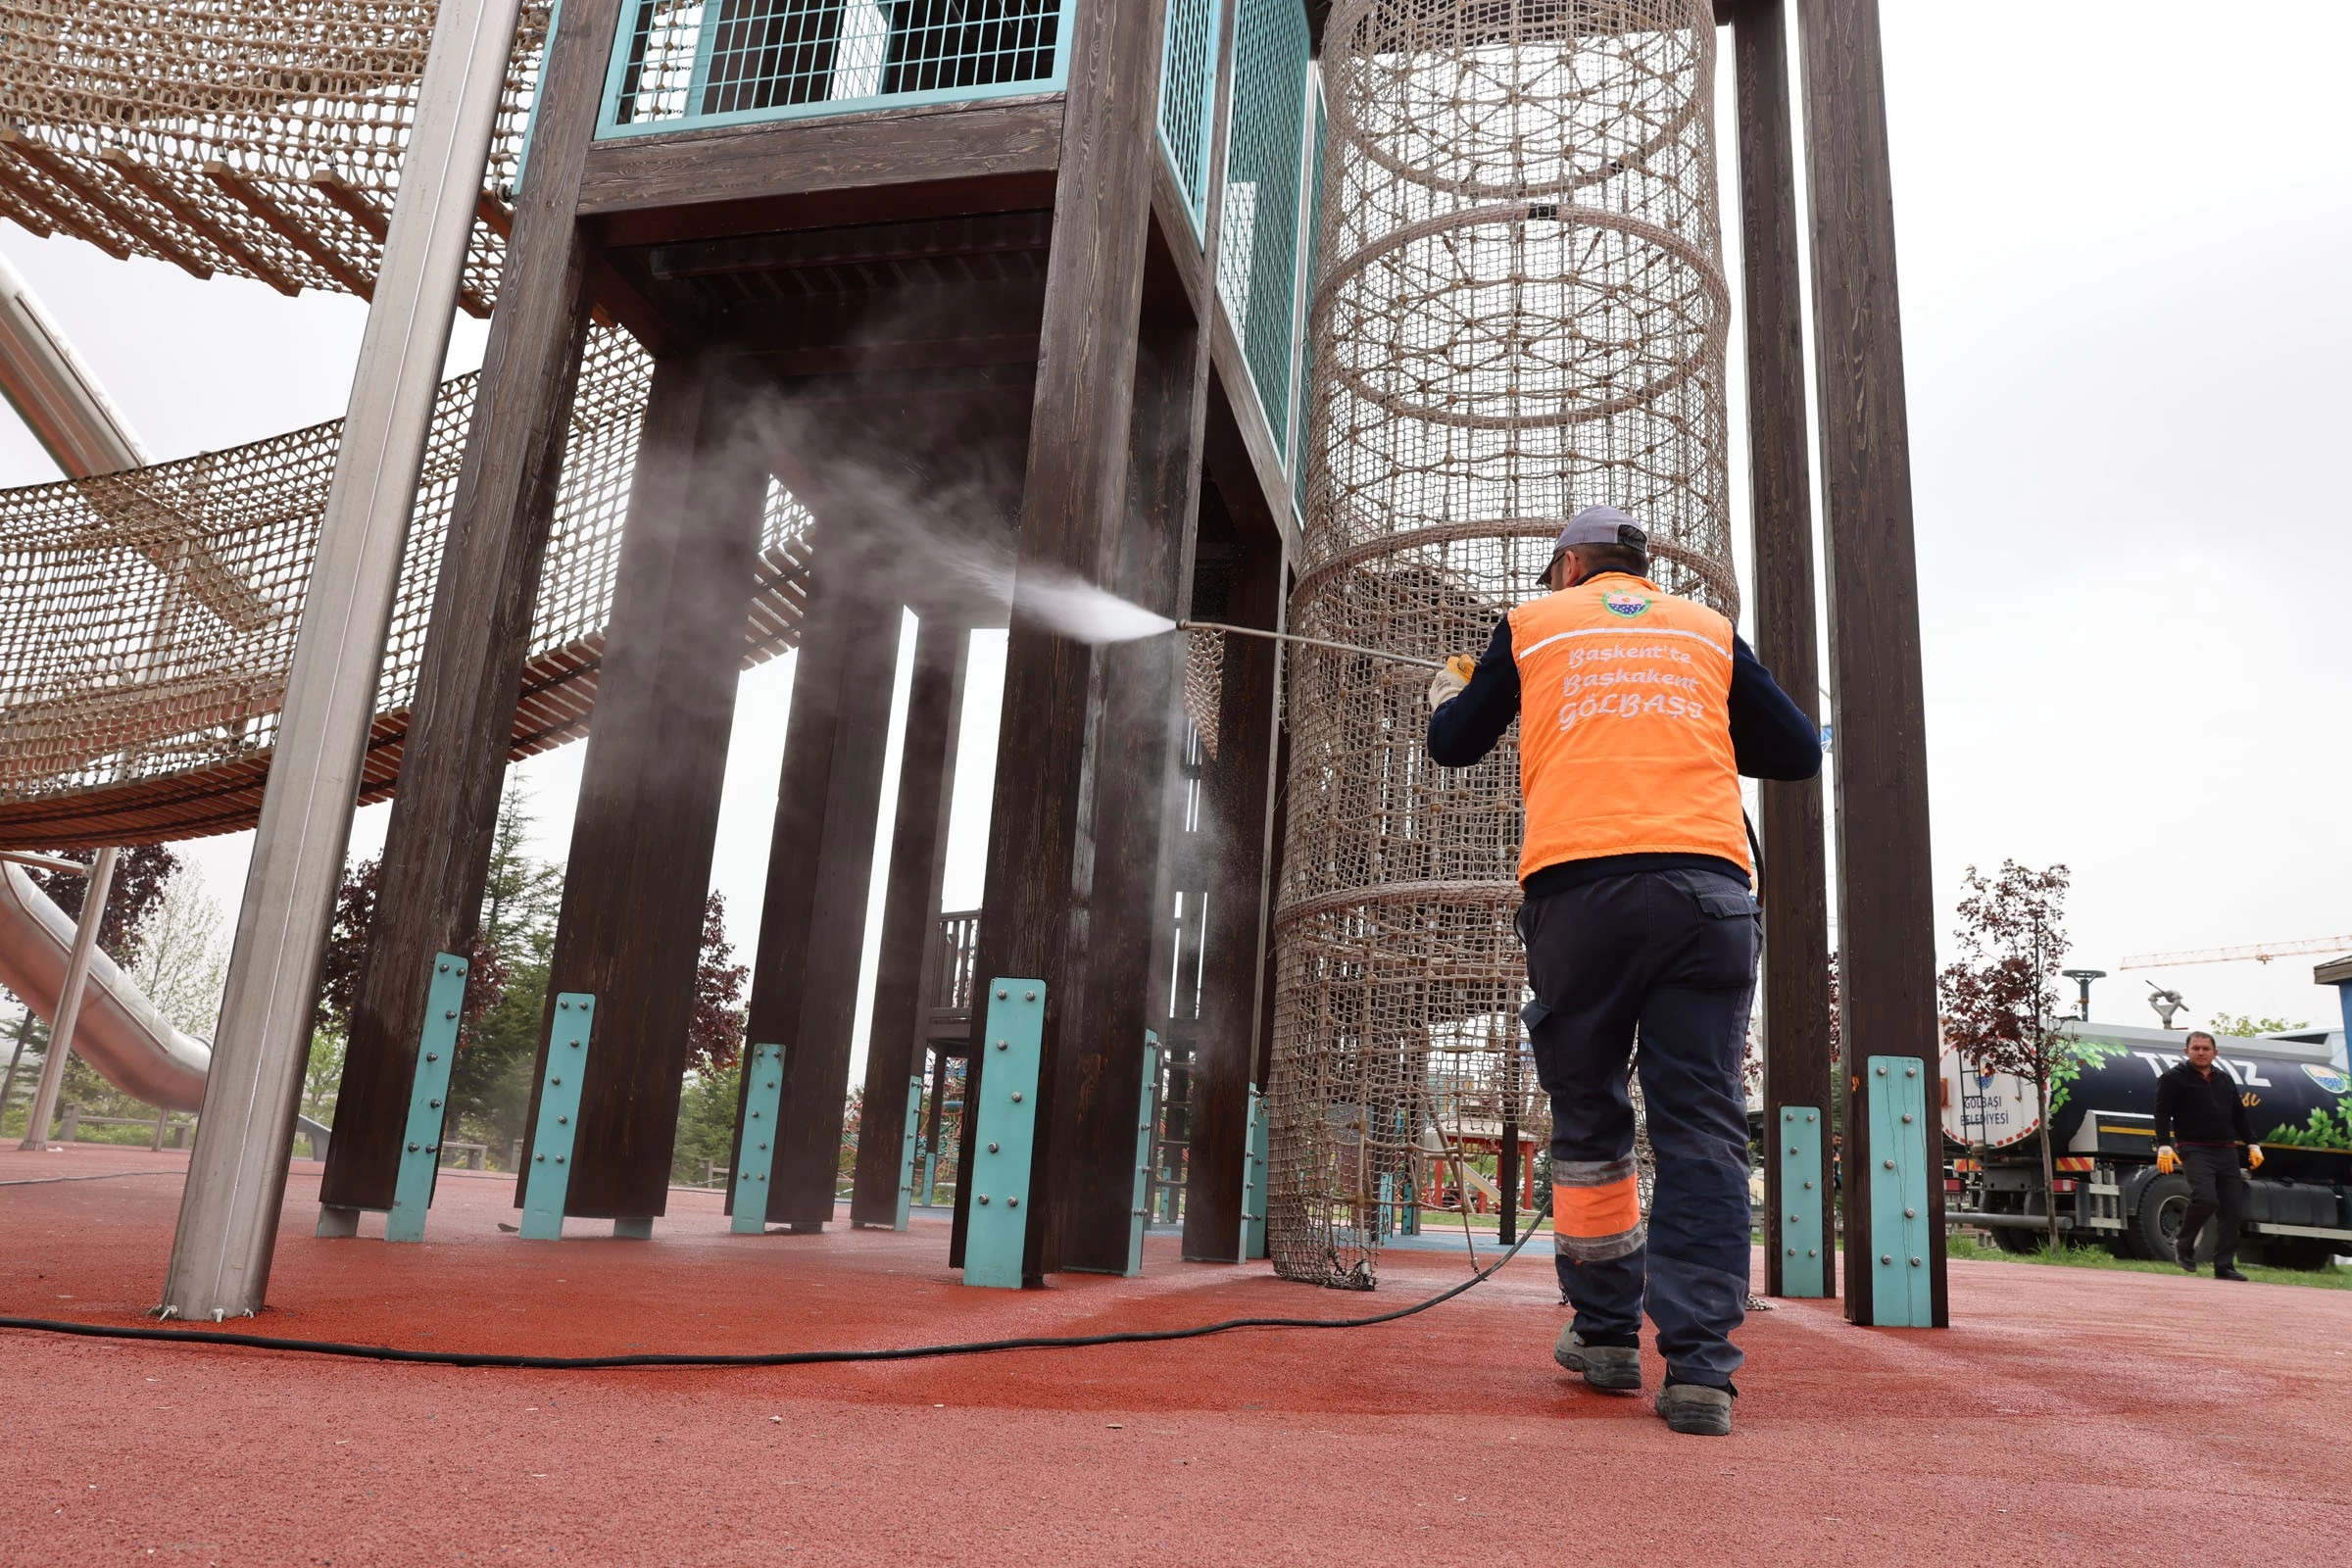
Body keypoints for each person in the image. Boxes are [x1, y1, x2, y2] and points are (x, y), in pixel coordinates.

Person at [1426, 505, 1821, 1438]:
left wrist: (1455, 687)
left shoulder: (1529, 626)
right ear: (1640, 569)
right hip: (1707, 897)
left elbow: (1453, 745)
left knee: (1594, 1119)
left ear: (1567, 568)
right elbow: (1797, 752)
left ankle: (1604, 1336)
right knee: (1703, 1128)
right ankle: (1700, 1375)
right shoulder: (1707, 630)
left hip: (1582, 899)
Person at [2152, 1030, 2262, 1281]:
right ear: (2186, 1051)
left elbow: (2239, 1114)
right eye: (2196, 1048)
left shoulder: (2224, 1080)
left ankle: (2224, 1266)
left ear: (2215, 1052)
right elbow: (2161, 1113)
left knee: (2232, 1208)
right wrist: (2163, 1145)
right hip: (2194, 1148)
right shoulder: (2173, 1079)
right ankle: (2184, 1243)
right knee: (2205, 1198)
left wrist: (2253, 1143)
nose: (2201, 1052)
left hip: (2226, 1150)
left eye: (2206, 1048)